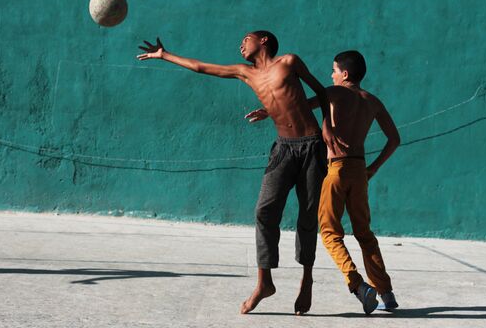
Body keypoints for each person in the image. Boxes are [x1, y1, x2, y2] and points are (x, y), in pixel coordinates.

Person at [137, 32, 344, 315]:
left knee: (307, 217)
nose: (240, 45)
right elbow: (202, 67)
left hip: (311, 146)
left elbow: (321, 92)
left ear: (263, 41)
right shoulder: (244, 72)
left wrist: (327, 127)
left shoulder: (289, 61)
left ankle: (306, 278)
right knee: (264, 211)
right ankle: (264, 283)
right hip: (283, 150)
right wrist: (165, 55)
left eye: (246, 39)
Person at [245, 50, 400, 314]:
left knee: (329, 233)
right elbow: (394, 139)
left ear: (345, 74)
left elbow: (298, 106)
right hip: (359, 169)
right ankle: (386, 292)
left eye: (334, 70)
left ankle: (359, 285)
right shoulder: (373, 101)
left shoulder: (334, 93)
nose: (331, 74)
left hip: (336, 169)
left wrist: (268, 113)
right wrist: (372, 168)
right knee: (364, 234)